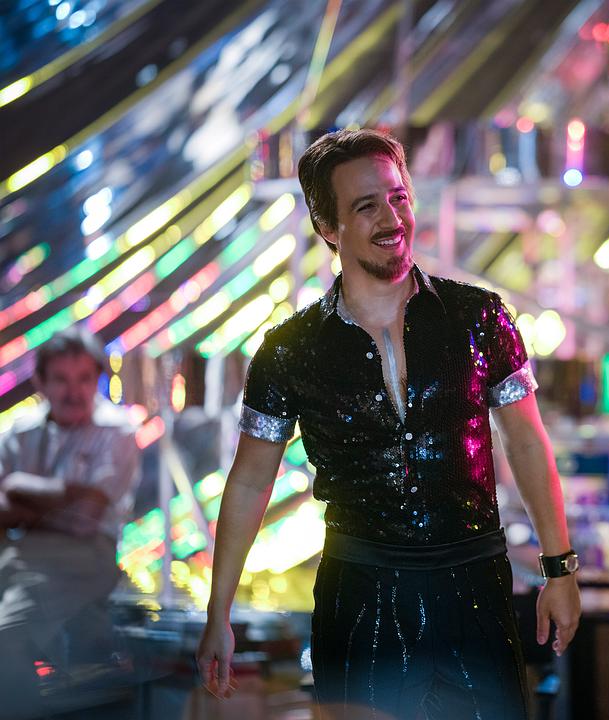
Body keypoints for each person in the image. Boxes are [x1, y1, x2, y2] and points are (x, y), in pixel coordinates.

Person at [197, 128, 581, 719]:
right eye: (366, 205)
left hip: (474, 589)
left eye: (398, 197)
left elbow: (526, 442)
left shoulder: (478, 317)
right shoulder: (290, 350)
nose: (391, 217)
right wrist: (218, 612)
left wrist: (560, 569)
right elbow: (250, 481)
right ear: (328, 228)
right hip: (360, 599)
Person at [0, 327, 141, 719]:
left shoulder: (117, 431)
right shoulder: (19, 432)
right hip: (19, 554)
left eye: (84, 379)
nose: (73, 391)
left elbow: (86, 521)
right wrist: (66, 496)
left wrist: (18, 488)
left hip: (85, 557)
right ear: (40, 381)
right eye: (61, 379)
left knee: (6, 637)